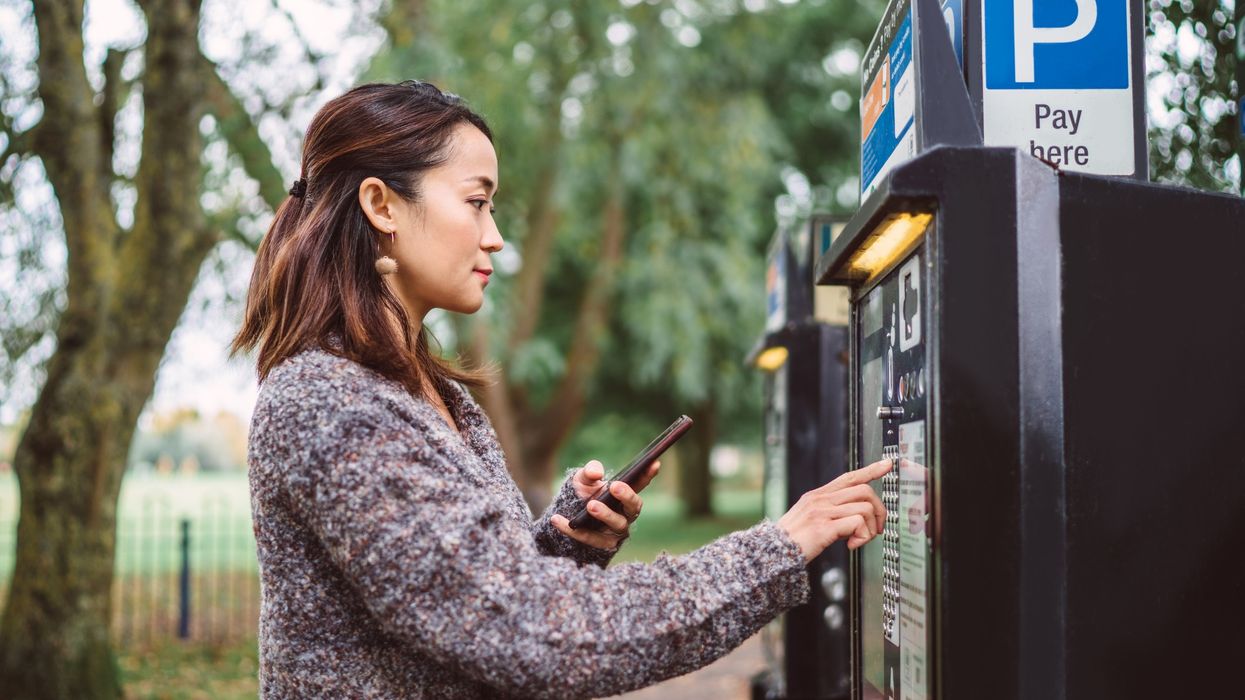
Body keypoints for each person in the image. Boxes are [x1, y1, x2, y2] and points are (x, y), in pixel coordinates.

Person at [232, 80, 891, 700]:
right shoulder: (331, 406)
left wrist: (564, 546)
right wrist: (777, 548)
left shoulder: (432, 398)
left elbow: (465, 606)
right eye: (475, 201)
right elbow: (524, 632)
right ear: (381, 205)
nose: (494, 235)